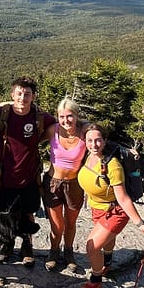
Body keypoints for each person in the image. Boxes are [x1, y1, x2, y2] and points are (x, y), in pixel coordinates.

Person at [0, 76, 55, 266]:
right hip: (4, 176)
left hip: (29, 177)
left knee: (28, 212)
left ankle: (27, 245)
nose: (22, 98)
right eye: (19, 93)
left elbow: (65, 125)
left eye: (27, 94)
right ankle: (8, 244)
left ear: (33, 96)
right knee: (6, 212)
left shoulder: (40, 117)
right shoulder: (1, 114)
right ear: (12, 95)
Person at [77, 123, 144, 288]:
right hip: (98, 207)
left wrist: (140, 223)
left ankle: (95, 280)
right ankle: (107, 262)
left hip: (115, 211)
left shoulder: (113, 165)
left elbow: (123, 198)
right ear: (85, 140)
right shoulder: (88, 155)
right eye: (90, 140)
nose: (93, 144)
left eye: (98, 140)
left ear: (105, 141)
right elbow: (70, 124)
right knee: (107, 239)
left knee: (92, 247)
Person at [42, 97, 87, 272]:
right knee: (57, 225)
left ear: (76, 116)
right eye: (62, 116)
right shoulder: (53, 130)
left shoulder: (84, 133)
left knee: (71, 222)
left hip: (75, 184)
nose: (66, 120)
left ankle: (68, 252)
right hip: (53, 183)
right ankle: (53, 251)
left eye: (70, 116)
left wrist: (126, 151)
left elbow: (102, 141)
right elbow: (31, 142)